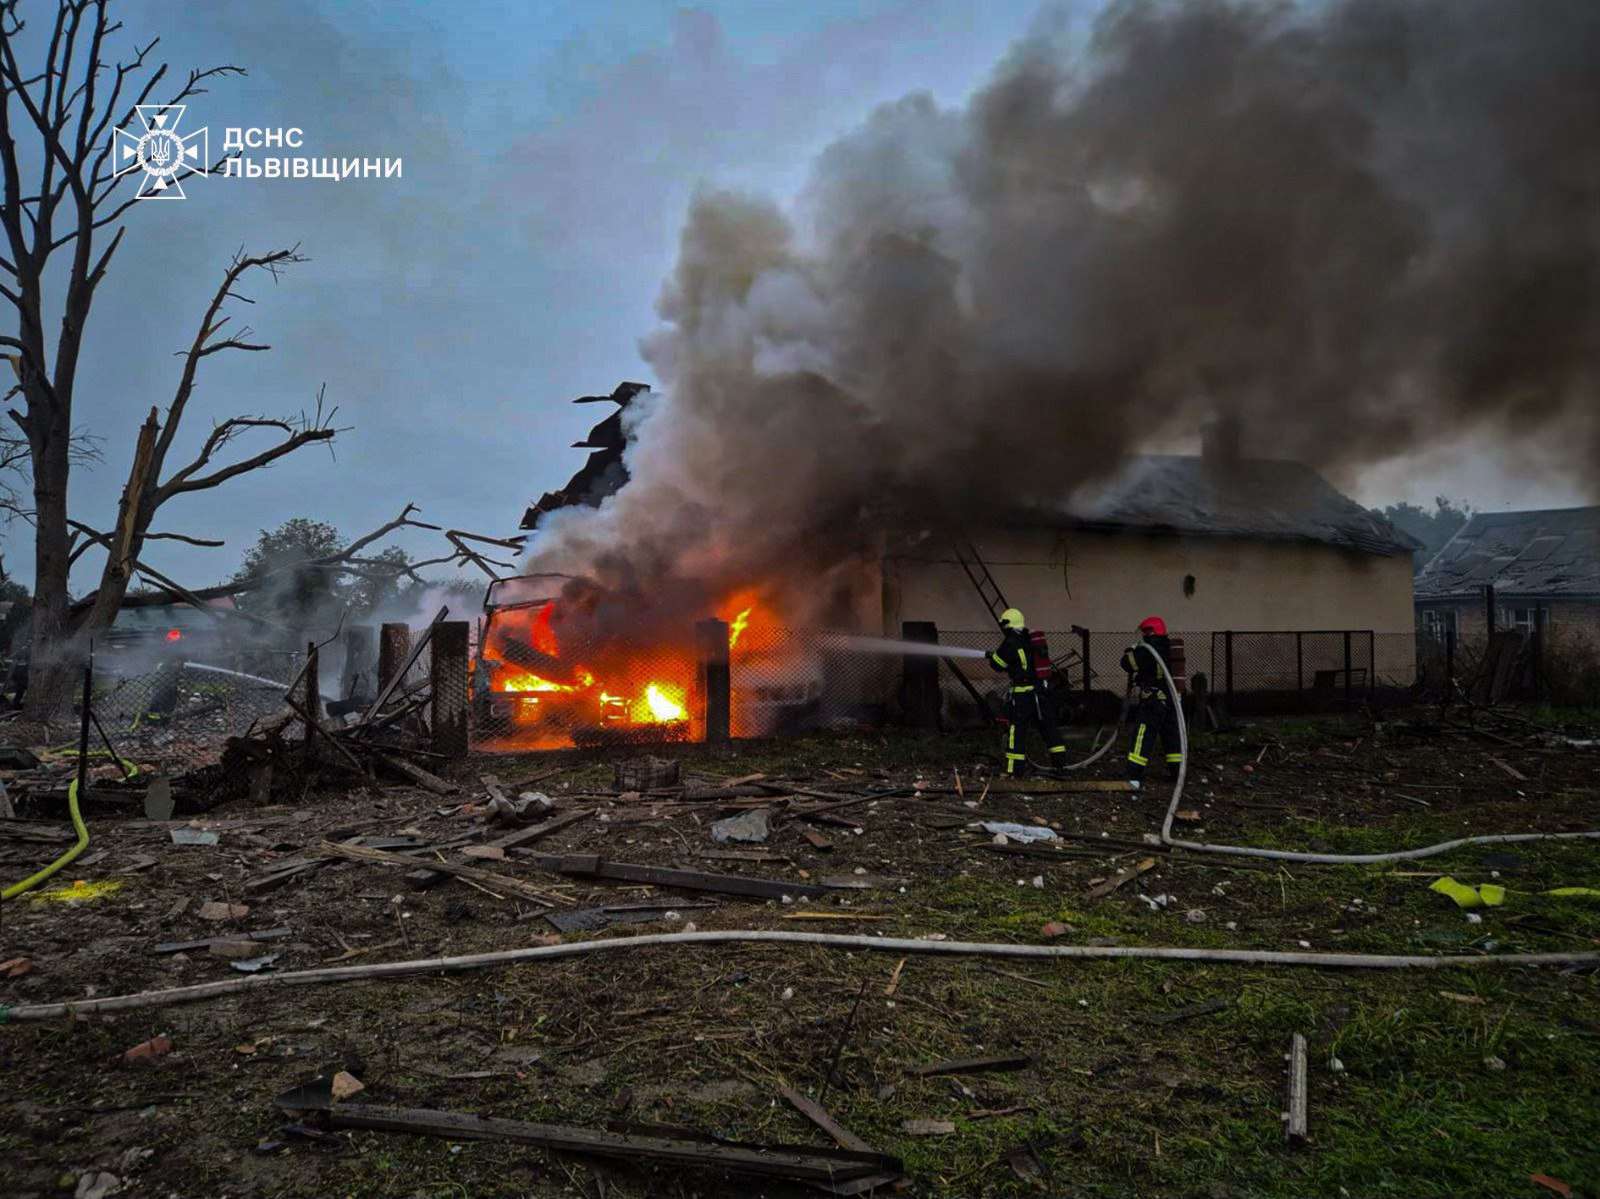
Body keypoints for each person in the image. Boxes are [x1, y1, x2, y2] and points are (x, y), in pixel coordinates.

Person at [988, 608, 1067, 777]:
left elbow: (997, 665)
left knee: (1017, 731)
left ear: (1007, 625)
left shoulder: (1010, 642)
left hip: (1022, 695)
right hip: (1040, 692)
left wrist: (992, 656)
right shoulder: (1031, 638)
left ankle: (1013, 771)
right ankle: (1061, 767)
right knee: (1049, 728)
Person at [1121, 615, 1183, 791]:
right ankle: (1177, 773)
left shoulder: (1147, 649)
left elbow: (1127, 664)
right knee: (1171, 737)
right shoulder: (1167, 646)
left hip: (1153, 701)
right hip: (1170, 700)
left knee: (1142, 736)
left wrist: (1130, 651)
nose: (1143, 636)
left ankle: (1134, 775)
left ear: (1150, 631)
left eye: (1145, 632)